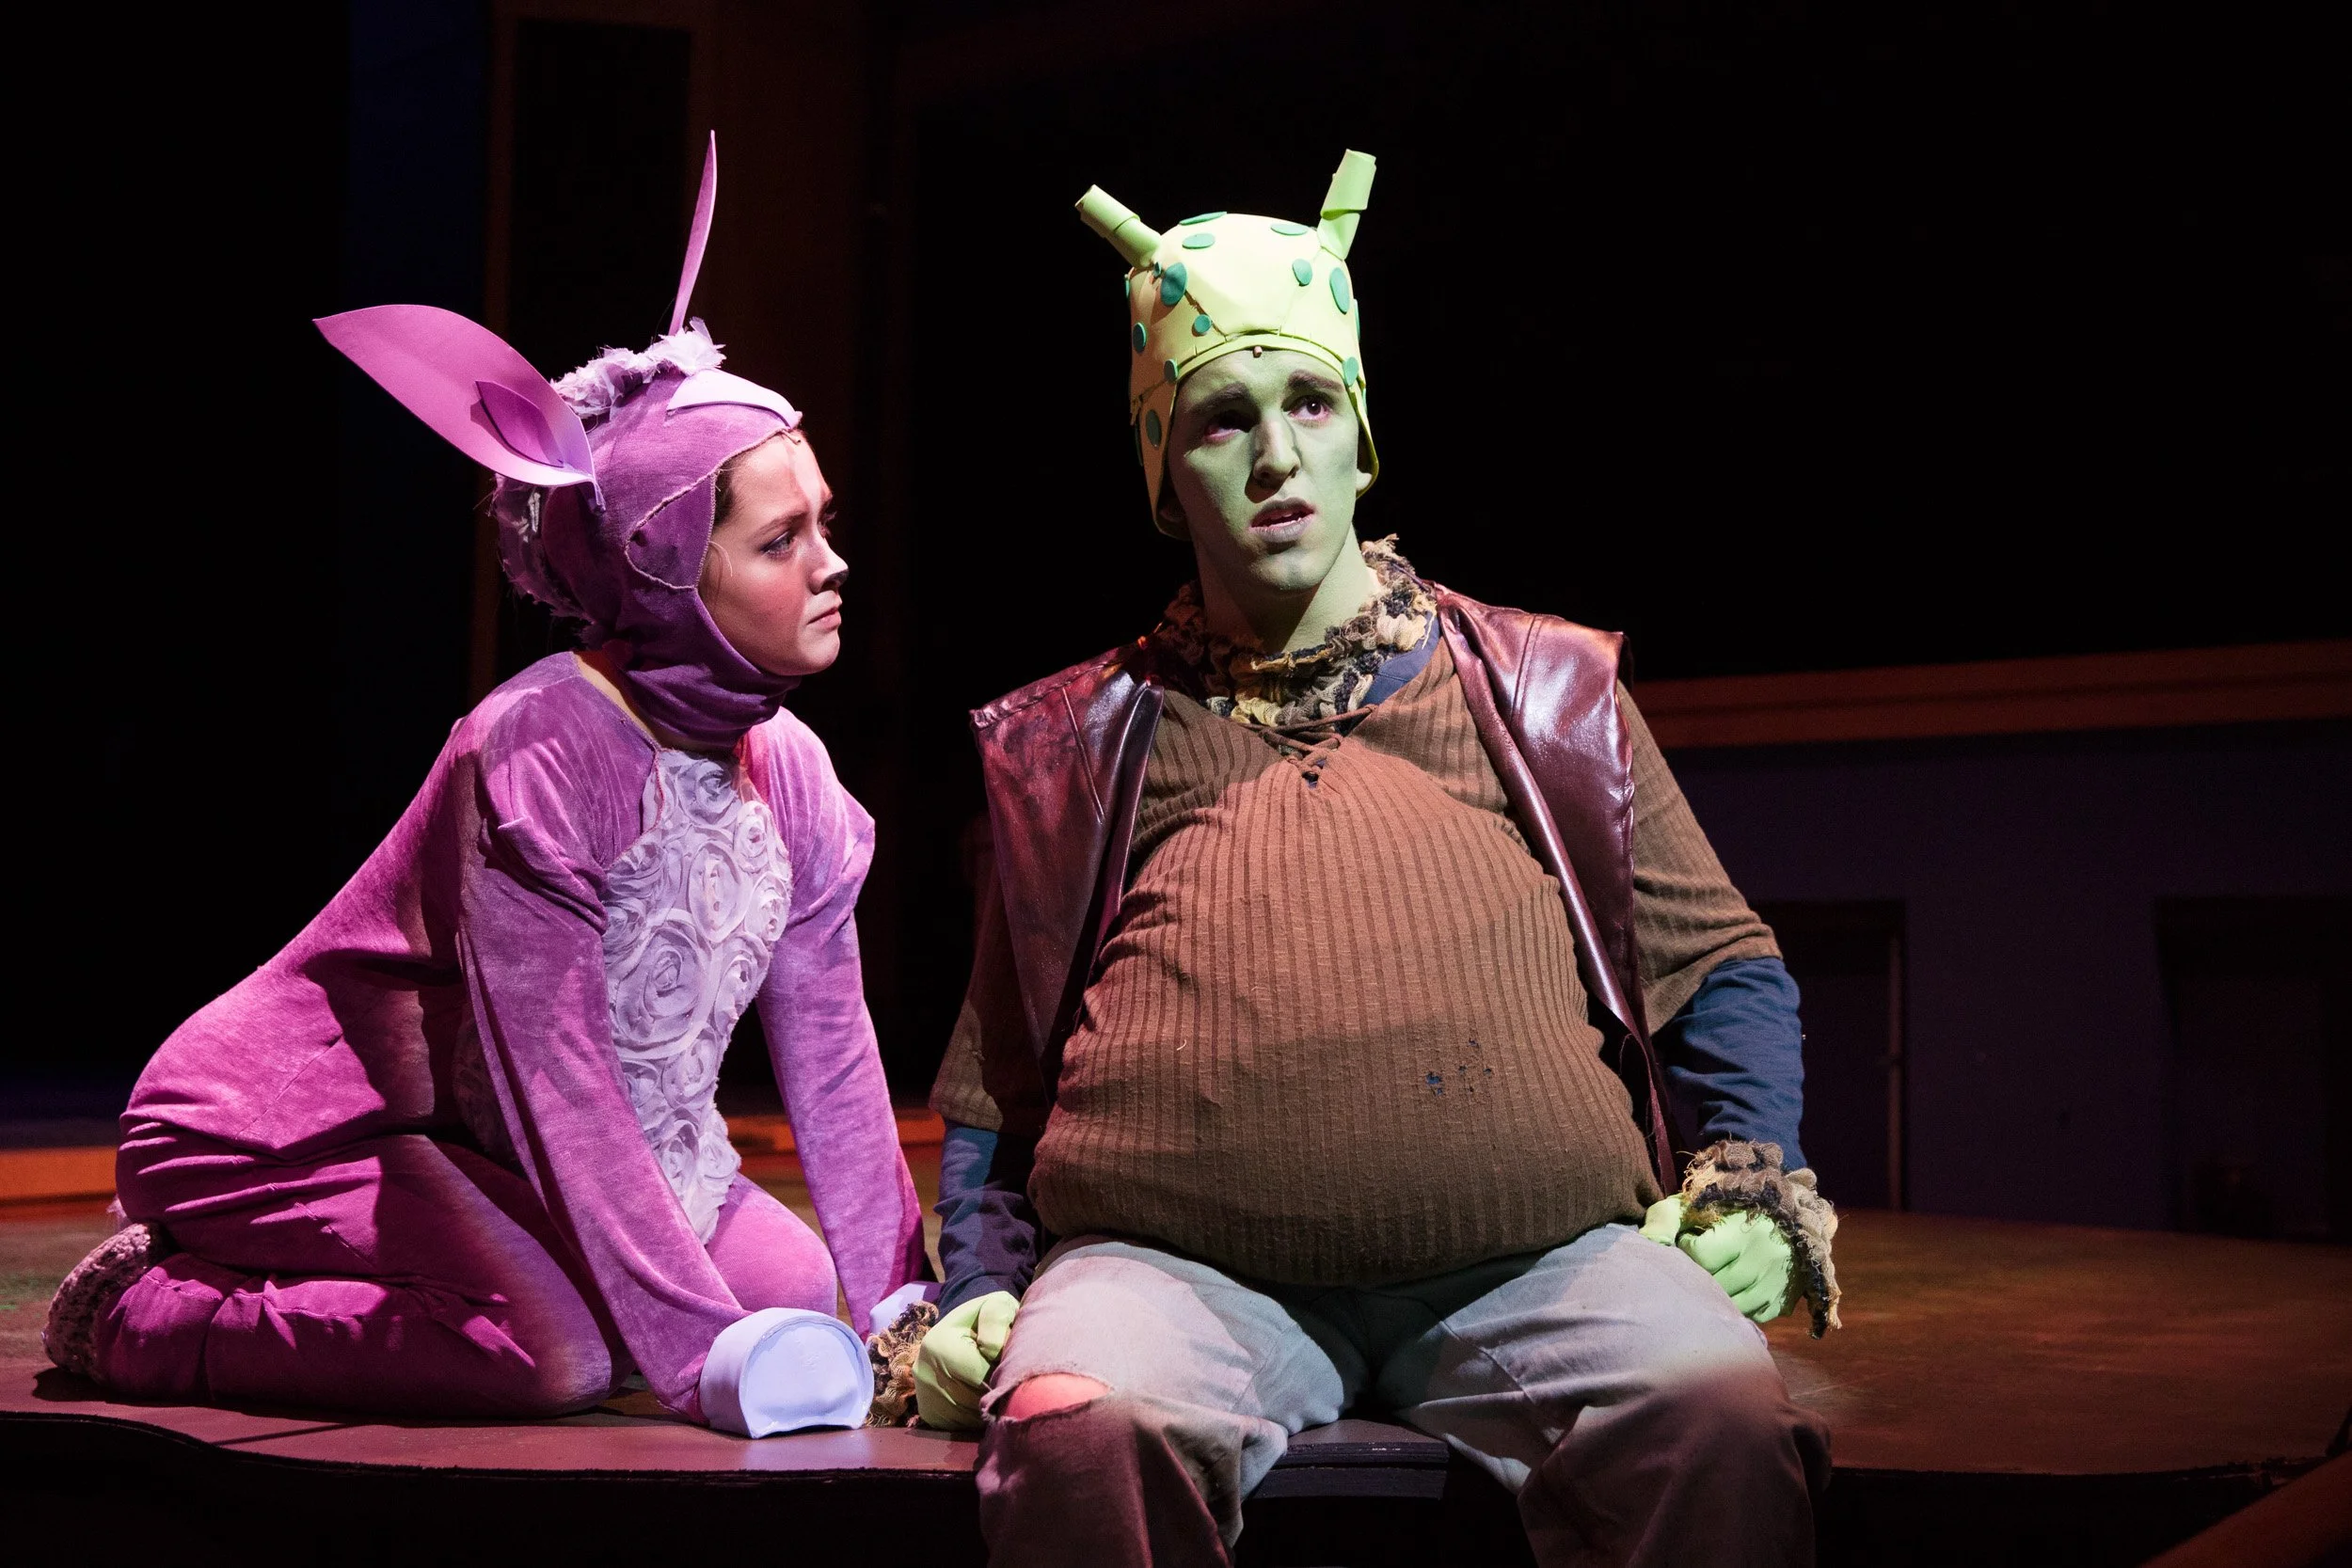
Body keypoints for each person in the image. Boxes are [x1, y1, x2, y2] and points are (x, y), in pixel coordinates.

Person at [914, 150, 1840, 1564]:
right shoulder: (1081, 742)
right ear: (1164, 472)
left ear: (1363, 437)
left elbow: (1720, 965)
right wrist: (978, 1284)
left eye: (1308, 404)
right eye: (1222, 420)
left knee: (1713, 1410)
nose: (1276, 455)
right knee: (1075, 1421)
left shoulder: (1539, 688)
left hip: (1539, 1266)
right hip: (1175, 1273)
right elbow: (1003, 1074)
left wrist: (1753, 1186)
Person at [42, 138, 926, 1435]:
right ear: (666, 567)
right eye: (782, 539)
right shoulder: (543, 750)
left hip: (478, 1142)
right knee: (551, 1353)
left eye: (825, 522)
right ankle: (148, 1310)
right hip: (290, 1131)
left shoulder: (788, 769)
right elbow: (552, 1077)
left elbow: (836, 1059)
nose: (831, 562)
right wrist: (686, 1353)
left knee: (797, 1288)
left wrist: (903, 1317)